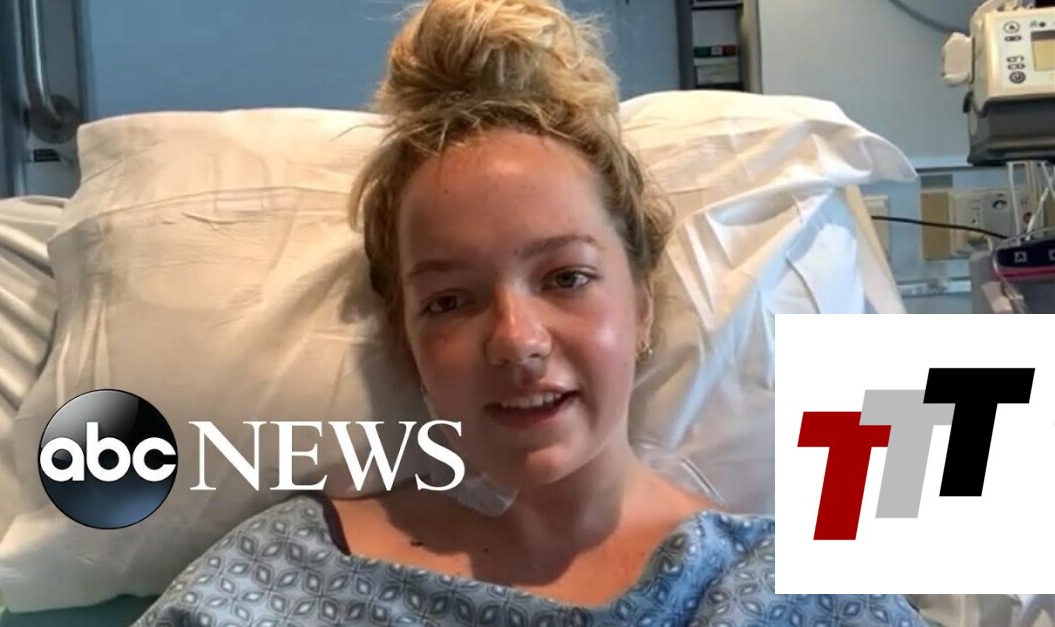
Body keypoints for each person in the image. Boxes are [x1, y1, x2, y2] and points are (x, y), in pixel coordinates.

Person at [136, 1, 929, 625]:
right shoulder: (279, 576)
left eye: (566, 277)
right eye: (449, 300)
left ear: (641, 304)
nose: (515, 341)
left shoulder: (784, 587)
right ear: (407, 343)